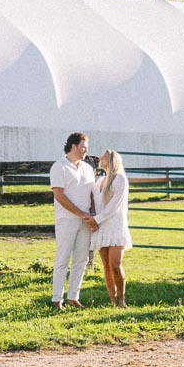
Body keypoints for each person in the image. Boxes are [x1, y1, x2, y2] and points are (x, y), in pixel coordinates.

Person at [49, 132, 97, 310]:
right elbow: (59, 195)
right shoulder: (59, 166)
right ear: (74, 146)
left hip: (85, 219)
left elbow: (92, 193)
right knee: (63, 258)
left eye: (87, 148)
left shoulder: (86, 168)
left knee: (81, 259)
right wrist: (79, 213)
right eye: (83, 147)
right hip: (66, 218)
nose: (85, 151)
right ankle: (56, 299)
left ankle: (73, 296)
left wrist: (92, 213)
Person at [90, 149, 132, 307]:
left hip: (114, 225)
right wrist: (92, 217)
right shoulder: (99, 180)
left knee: (115, 264)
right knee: (106, 265)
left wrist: (96, 219)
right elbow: (94, 202)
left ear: (113, 160)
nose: (101, 158)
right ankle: (112, 300)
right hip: (101, 226)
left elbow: (115, 205)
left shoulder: (120, 179)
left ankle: (122, 299)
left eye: (105, 157)